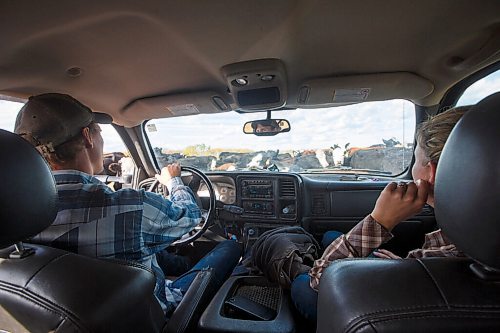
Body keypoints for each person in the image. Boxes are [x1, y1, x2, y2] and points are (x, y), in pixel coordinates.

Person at [14, 93, 242, 316]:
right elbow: (191, 216)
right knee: (231, 247)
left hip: (73, 318)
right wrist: (173, 181)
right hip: (152, 317)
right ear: (87, 137)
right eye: (98, 131)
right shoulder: (131, 205)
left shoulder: (13, 218)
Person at [290, 106, 470, 322]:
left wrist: (380, 220)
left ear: (430, 173)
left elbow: (319, 280)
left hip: (395, 310)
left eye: (414, 158)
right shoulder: (473, 236)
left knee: (302, 285)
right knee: (330, 236)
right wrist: (401, 263)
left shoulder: (430, 264)